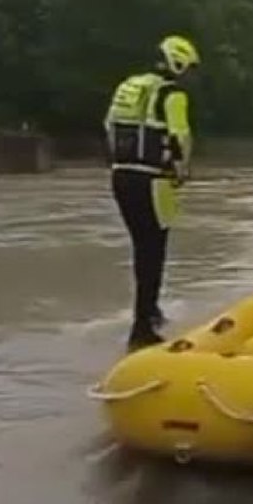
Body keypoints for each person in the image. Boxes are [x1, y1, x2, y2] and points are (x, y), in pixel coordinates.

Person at [103, 35, 200, 351]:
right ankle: (142, 326)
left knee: (140, 247)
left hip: (121, 177)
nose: (190, 76)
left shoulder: (128, 86)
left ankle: (149, 311)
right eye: (189, 69)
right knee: (153, 251)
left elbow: (109, 126)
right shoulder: (172, 95)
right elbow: (180, 137)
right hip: (153, 181)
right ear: (178, 63)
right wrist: (182, 171)